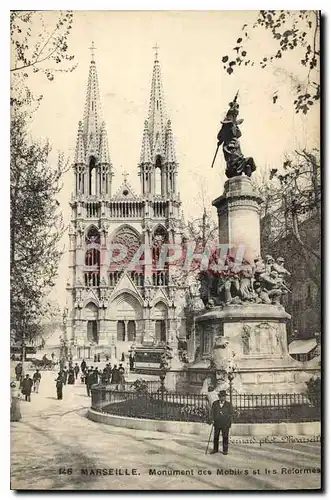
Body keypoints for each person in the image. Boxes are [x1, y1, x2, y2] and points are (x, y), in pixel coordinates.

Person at [210, 390, 233, 455]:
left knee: (225, 436)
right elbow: (212, 412)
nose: (223, 398)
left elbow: (231, 414)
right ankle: (215, 449)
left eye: (224, 396)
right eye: (221, 396)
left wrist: (226, 417)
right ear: (219, 397)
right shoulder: (215, 403)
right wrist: (212, 419)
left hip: (225, 423)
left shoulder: (229, 404)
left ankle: (225, 450)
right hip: (217, 423)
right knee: (216, 436)